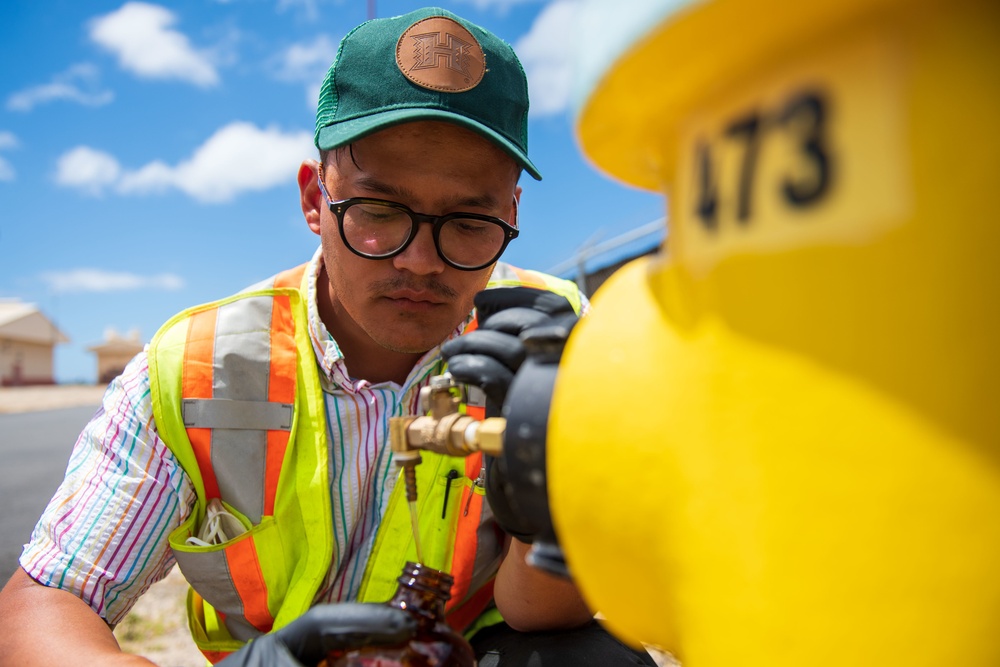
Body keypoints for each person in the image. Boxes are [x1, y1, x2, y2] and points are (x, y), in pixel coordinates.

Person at [0, 7, 656, 666]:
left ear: (511, 212)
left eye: (467, 221)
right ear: (315, 199)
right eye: (377, 212)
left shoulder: (553, 342)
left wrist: (545, 519)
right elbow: (42, 606)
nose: (420, 261)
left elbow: (543, 613)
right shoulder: (196, 368)